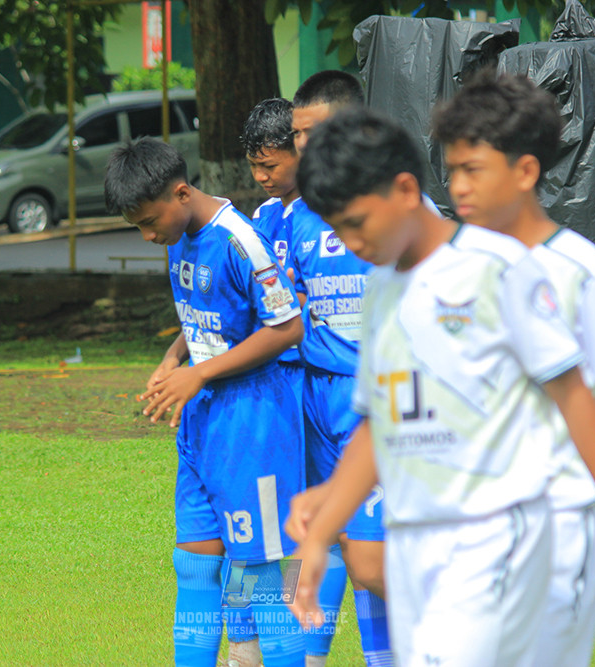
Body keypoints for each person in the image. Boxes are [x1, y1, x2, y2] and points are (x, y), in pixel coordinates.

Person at [286, 107, 595, 666]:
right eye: (336, 228)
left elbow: (575, 396)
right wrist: (320, 533)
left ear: (406, 189)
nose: (350, 241)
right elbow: (381, 425)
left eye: (357, 222)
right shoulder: (381, 289)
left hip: (499, 536)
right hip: (414, 542)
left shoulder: (497, 268)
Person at [432, 71, 595, 665]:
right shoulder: (440, 270)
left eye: (474, 169)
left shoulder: (587, 276)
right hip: (459, 526)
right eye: (451, 170)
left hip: (560, 528)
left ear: (525, 171)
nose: (457, 186)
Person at [104, 137, 307, 667]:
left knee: (266, 571)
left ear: (180, 192)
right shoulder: (175, 234)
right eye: (138, 227)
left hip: (253, 415)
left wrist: (199, 372)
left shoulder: (240, 240)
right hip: (202, 419)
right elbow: (205, 312)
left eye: (150, 221)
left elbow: (286, 328)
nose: (149, 236)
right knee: (193, 562)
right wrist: (176, 356)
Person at [288, 70, 392, 667]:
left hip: (379, 406)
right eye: (296, 135)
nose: (302, 146)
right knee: (324, 537)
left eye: (313, 133)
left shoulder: (402, 207)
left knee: (370, 556)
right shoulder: (291, 218)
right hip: (315, 405)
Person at [221, 97, 307, 667]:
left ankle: (301, 651)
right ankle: (243, 650)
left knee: (299, 531)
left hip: (309, 391)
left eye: (269, 166)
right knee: (251, 529)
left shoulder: (330, 220)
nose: (259, 177)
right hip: (264, 396)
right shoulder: (262, 220)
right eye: (253, 166)